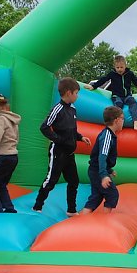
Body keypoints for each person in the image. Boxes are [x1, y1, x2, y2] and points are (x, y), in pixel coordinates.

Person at [33, 78, 91, 216]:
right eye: (76, 93)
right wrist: (58, 140)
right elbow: (44, 127)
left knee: (74, 181)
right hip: (58, 152)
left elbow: (71, 129)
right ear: (69, 93)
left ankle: (71, 209)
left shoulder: (73, 109)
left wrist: (80, 137)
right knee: (51, 180)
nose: (77, 96)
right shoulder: (57, 109)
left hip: (69, 153)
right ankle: (37, 206)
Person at [85, 55, 137, 131]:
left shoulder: (129, 74)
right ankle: (118, 124)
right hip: (116, 96)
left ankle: (135, 121)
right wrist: (93, 86)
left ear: (125, 66)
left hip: (127, 95)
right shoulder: (112, 74)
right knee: (118, 105)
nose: (119, 69)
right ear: (115, 67)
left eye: (121, 67)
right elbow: (103, 79)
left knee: (133, 103)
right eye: (117, 67)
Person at [80, 106, 124, 214]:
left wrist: (109, 170)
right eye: (122, 118)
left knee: (96, 198)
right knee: (112, 194)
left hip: (95, 170)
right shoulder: (107, 135)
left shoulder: (109, 134)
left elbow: (104, 158)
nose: (123, 121)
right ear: (116, 120)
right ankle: (104, 222)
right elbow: (102, 156)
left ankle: (80, 219)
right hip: (97, 172)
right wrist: (104, 175)